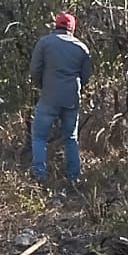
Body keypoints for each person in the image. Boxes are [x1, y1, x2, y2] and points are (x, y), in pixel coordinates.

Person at [29, 12, 93, 184]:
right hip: (72, 98)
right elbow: (86, 76)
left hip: (49, 97)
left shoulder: (45, 43)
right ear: (72, 28)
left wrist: (43, 85)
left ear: (56, 25)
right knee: (71, 138)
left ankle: (39, 175)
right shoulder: (82, 48)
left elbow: (35, 69)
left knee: (39, 137)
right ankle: (74, 178)